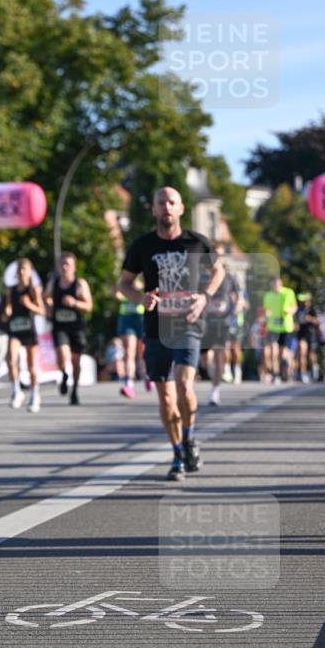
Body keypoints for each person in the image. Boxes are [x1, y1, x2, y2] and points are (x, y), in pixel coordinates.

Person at [117, 186, 224, 481]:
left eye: (171, 202)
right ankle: (177, 452)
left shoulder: (197, 242)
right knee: (165, 399)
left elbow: (219, 271)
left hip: (188, 323)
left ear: (180, 209)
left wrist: (204, 296)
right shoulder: (142, 246)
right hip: (155, 328)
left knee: (185, 386)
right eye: (160, 202)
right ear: (153, 209)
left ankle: (189, 436)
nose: (166, 207)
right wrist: (140, 299)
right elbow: (124, 284)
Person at [45, 252, 93, 406]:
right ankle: (64, 374)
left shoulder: (80, 284)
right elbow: (45, 297)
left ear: (74, 267)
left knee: (75, 361)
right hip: (59, 326)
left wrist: (74, 303)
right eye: (62, 264)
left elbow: (89, 306)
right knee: (62, 355)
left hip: (76, 327)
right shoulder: (54, 282)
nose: (65, 267)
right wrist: (49, 306)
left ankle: (75, 390)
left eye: (68, 264)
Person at [199, 245, 239, 406]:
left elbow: (237, 297)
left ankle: (215, 391)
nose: (218, 257)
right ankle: (210, 371)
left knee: (219, 353)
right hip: (205, 321)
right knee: (204, 358)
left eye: (220, 255)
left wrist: (233, 311)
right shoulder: (202, 277)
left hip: (223, 322)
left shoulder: (229, 277)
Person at [5, 257, 44, 412]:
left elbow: (42, 310)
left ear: (30, 272)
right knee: (11, 360)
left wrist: (29, 304)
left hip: (29, 330)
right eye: (19, 269)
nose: (21, 272)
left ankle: (35, 395)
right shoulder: (11, 290)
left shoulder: (33, 289)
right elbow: (8, 307)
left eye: (24, 269)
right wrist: (6, 312)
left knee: (31, 366)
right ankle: (16, 391)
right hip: (15, 329)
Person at [115, 277, 151, 399]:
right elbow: (116, 294)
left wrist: (138, 288)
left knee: (143, 353)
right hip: (127, 319)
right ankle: (129, 383)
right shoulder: (124, 281)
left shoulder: (142, 281)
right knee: (129, 351)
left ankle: (147, 375)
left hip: (140, 319)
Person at [262, 276, 298, 384]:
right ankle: (276, 374)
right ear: (271, 285)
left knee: (283, 354)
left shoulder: (288, 292)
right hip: (273, 327)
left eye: (278, 285)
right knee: (274, 350)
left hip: (286, 327)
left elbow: (294, 306)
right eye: (274, 285)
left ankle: (289, 367)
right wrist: (266, 313)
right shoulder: (268, 295)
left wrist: (290, 311)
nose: (276, 287)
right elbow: (265, 309)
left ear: (281, 284)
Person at [295, 294, 319, 383]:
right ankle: (303, 373)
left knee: (311, 355)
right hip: (302, 334)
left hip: (311, 334)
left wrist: (310, 319)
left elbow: (318, 321)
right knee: (302, 353)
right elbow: (295, 320)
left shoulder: (313, 309)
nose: (304, 303)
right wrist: (295, 324)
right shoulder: (299, 309)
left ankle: (313, 370)